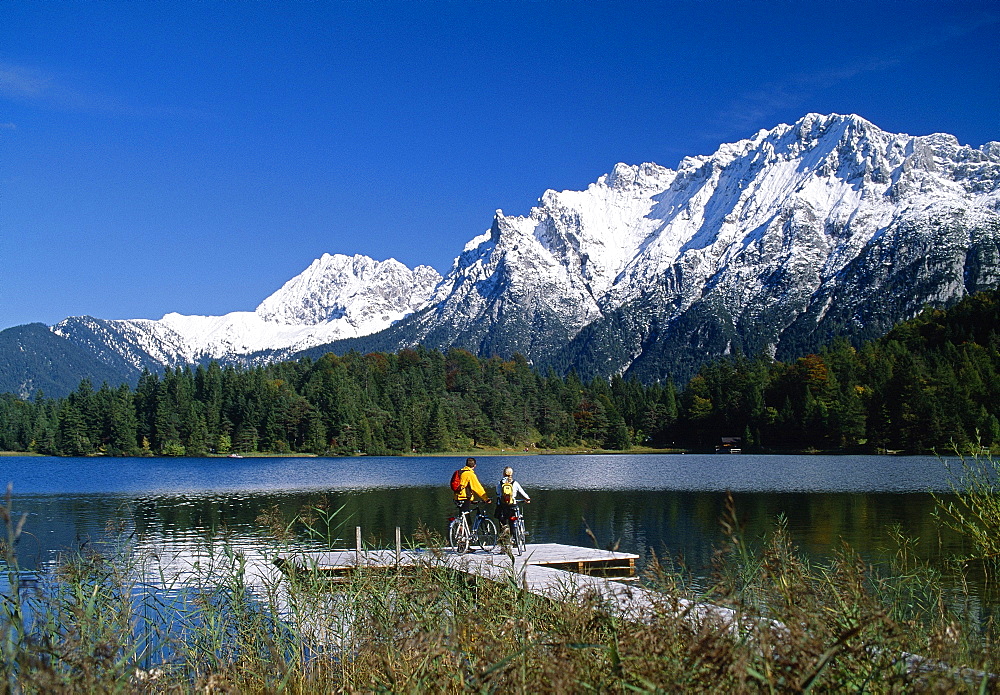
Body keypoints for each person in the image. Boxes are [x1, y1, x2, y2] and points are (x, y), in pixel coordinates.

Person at [495, 466, 530, 540]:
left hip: (502, 505)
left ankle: (504, 542)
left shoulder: (499, 483)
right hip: (512, 505)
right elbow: (522, 493)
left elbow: (498, 494)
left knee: (503, 524)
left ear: (503, 473)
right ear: (512, 474)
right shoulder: (515, 483)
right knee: (512, 521)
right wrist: (527, 499)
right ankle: (515, 539)